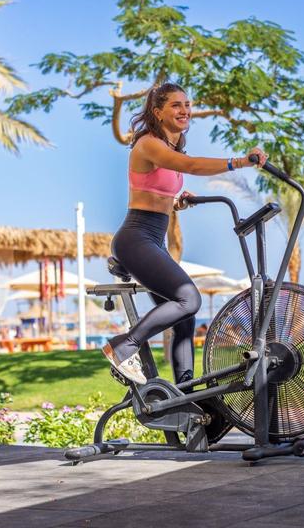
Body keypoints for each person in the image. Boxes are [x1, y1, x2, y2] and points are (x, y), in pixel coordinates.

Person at [102, 82, 266, 385]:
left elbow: (155, 189)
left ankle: (183, 393)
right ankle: (124, 346)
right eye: (176, 105)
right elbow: (189, 165)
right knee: (189, 298)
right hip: (136, 236)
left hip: (153, 239)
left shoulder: (170, 148)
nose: (185, 110)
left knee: (185, 319)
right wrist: (241, 162)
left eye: (187, 104)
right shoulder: (149, 143)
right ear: (158, 111)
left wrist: (176, 202)